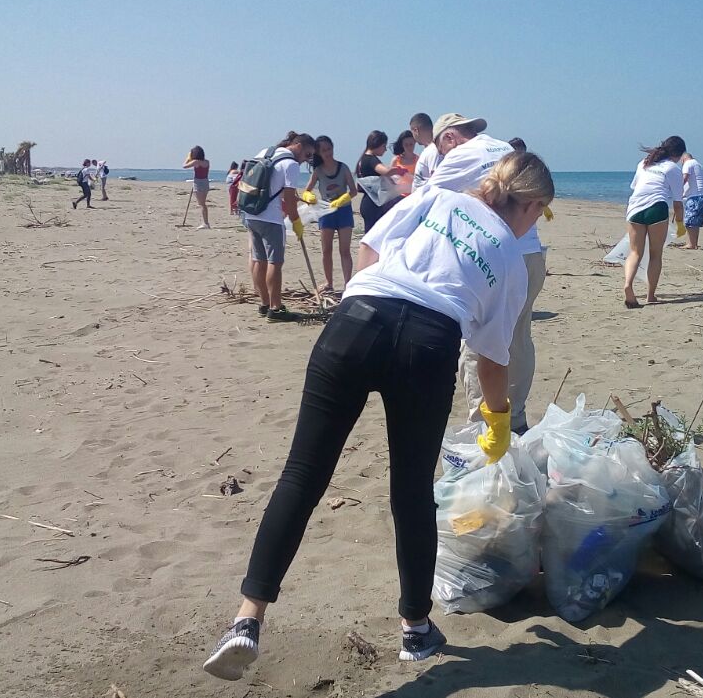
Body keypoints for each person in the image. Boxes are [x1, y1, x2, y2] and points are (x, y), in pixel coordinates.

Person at [202, 152, 555, 681]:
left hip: (357, 320)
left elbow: (370, 247)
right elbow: (492, 358)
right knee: (411, 492)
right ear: (528, 204)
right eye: (541, 212)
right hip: (428, 345)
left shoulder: (434, 197)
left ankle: (247, 619)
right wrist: (498, 419)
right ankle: (415, 628)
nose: (536, 222)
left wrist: (362, 311)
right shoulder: (508, 253)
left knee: (302, 475)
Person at [426, 114, 542, 434]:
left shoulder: (460, 155)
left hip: (492, 256)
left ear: (450, 138)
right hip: (531, 254)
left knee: (478, 343)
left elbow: (427, 201)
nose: (442, 156)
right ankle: (515, 417)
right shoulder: (506, 150)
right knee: (518, 338)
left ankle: (485, 422)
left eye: (440, 150)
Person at [243, 132, 316, 322]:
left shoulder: (266, 152)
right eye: (307, 155)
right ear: (298, 146)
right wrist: (296, 221)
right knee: (275, 262)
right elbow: (289, 199)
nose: (306, 160)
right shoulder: (291, 164)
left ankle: (264, 304)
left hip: (251, 213)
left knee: (259, 260)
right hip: (271, 219)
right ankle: (275, 308)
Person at [623, 136, 686, 307]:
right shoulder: (673, 168)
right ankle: (650, 295)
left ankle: (628, 284)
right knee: (655, 254)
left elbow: (635, 187)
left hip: (635, 208)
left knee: (635, 252)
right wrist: (680, 224)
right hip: (656, 208)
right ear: (678, 154)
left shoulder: (645, 162)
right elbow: (678, 203)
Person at [302, 136, 357, 292]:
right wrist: (309, 197)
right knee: (326, 250)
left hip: (343, 211)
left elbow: (353, 191)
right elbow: (306, 191)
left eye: (329, 149)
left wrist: (342, 199)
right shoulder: (318, 171)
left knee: (344, 250)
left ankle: (348, 284)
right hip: (326, 211)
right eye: (324, 150)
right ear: (318, 153)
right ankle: (329, 283)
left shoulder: (343, 167)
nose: (327, 153)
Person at [354, 130, 405, 232]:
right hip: (374, 203)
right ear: (377, 144)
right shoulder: (371, 159)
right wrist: (400, 171)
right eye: (384, 146)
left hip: (368, 201)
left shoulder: (362, 159)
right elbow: (386, 171)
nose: (385, 150)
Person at [679, 151, 703, 250]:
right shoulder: (698, 164)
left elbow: (684, 178)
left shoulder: (688, 164)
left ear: (683, 159)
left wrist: (677, 190)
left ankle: (691, 244)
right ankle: (694, 243)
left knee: (689, 221)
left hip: (696, 196)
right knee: (695, 221)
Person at [409, 113, 441, 190]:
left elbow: (436, 181)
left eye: (412, 132)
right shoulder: (431, 150)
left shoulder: (433, 151)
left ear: (416, 130)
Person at [184, 146, 212, 229]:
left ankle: (205, 223)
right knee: (203, 203)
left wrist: (188, 157)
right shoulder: (207, 162)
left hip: (198, 182)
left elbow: (184, 166)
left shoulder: (196, 162)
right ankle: (206, 222)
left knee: (202, 204)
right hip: (205, 182)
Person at [390, 131, 417, 196]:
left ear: (415, 143)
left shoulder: (419, 160)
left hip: (414, 195)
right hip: (399, 196)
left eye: (411, 144)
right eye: (406, 145)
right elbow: (389, 178)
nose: (409, 147)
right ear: (402, 145)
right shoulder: (396, 160)